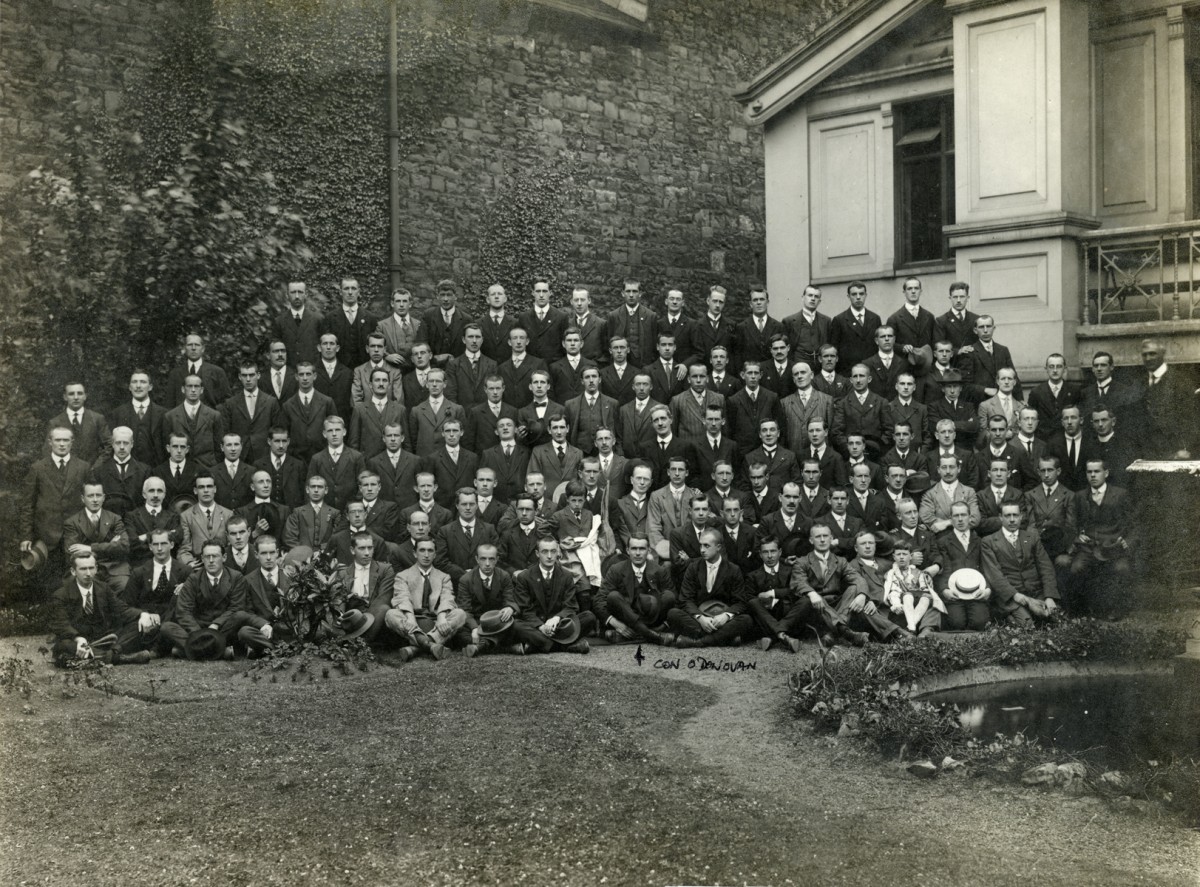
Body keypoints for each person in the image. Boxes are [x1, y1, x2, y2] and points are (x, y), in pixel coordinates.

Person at [49, 550, 159, 666]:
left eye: (91, 568)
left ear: (96, 568)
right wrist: (78, 639)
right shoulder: (61, 595)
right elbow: (62, 624)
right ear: (73, 571)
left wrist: (143, 614)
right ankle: (120, 657)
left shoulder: (103, 588)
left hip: (103, 639)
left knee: (141, 625)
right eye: (83, 569)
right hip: (78, 640)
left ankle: (100, 655)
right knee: (64, 646)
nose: (88, 573)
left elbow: (121, 609)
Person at [159, 541, 247, 660]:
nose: (211, 560)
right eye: (207, 556)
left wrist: (216, 624)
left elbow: (236, 608)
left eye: (215, 556)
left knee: (240, 616)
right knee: (166, 627)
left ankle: (189, 650)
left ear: (224, 557)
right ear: (202, 558)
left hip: (222, 629)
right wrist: (198, 633)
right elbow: (183, 610)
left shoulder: (236, 577)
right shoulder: (194, 578)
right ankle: (220, 652)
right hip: (198, 628)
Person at [506, 537, 594, 654]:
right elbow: (525, 610)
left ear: (558, 552)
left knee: (589, 617)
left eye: (553, 551)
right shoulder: (525, 577)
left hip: (559, 625)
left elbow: (571, 606)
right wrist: (541, 627)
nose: (549, 556)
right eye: (544, 551)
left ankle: (538, 645)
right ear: (537, 554)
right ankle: (565, 646)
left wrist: (556, 618)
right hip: (536, 627)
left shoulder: (566, 576)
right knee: (515, 625)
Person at [1069, 459, 1133, 619]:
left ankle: (1116, 609)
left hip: (1113, 548)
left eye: (1096, 471)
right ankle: (1082, 610)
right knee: (1077, 568)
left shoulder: (1120, 494)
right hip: (1089, 548)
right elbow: (1072, 523)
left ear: (1106, 473)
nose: (1092, 475)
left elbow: (1134, 524)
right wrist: (1077, 536)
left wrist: (1128, 541)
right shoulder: (1080, 496)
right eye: (1089, 472)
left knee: (1121, 569)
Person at [668, 529, 753, 648]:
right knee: (673, 614)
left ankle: (698, 642)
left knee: (746, 620)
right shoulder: (693, 567)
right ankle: (726, 638)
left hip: (722, 619)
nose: (702, 550)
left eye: (706, 546)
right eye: (701, 545)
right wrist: (700, 618)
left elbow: (740, 602)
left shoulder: (733, 569)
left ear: (718, 547)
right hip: (700, 619)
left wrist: (726, 616)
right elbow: (685, 599)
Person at [787, 524, 869, 646]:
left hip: (837, 605)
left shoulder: (840, 561)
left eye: (825, 536)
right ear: (811, 540)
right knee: (809, 598)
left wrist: (862, 595)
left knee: (854, 587)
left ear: (831, 538)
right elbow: (799, 582)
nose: (822, 540)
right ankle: (846, 632)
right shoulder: (802, 561)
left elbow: (858, 578)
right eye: (818, 536)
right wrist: (812, 593)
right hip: (816, 607)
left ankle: (832, 632)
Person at [386, 538, 468, 660]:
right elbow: (402, 598)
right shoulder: (403, 576)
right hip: (413, 622)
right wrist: (410, 618)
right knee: (391, 614)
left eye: (430, 551)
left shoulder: (444, 577)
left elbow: (447, 598)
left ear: (435, 554)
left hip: (435, 623)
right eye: (422, 550)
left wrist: (441, 618)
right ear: (415, 553)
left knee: (460, 614)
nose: (426, 555)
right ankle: (431, 645)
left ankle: (418, 647)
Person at [981, 502, 1059, 626]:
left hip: (1036, 592)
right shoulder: (989, 542)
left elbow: (1045, 567)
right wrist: (1017, 596)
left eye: (1015, 515)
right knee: (1028, 625)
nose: (1012, 520)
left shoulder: (1032, 537)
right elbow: (995, 576)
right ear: (1000, 517)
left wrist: (1049, 597)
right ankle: (1007, 617)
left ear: (1021, 517)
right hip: (1011, 596)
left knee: (1054, 620)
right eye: (1007, 516)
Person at [595, 535, 676, 645]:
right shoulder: (616, 570)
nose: (638, 553)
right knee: (613, 596)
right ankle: (652, 635)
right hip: (627, 619)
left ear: (649, 550)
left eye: (642, 549)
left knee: (669, 595)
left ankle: (637, 635)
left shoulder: (659, 570)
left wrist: (664, 625)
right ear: (627, 550)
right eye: (634, 548)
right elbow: (599, 600)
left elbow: (674, 599)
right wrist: (616, 624)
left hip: (653, 619)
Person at [62, 482, 131, 595]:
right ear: (83, 498)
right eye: (90, 496)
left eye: (98, 495)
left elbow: (124, 546)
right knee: (79, 587)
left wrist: (90, 548)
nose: (95, 500)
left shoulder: (115, 518)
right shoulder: (72, 522)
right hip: (86, 569)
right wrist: (110, 545)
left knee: (124, 585)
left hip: (114, 569)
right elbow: (72, 554)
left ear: (103, 498)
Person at [841, 531, 905, 642]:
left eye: (870, 543)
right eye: (863, 544)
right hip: (873, 610)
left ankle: (924, 632)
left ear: (875, 546)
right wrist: (870, 600)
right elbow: (854, 589)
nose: (867, 546)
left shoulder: (888, 564)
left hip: (893, 606)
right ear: (856, 548)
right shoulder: (853, 566)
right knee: (866, 611)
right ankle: (901, 634)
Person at [1136, 337, 1195, 458]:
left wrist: (1186, 449)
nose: (1148, 358)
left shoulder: (1181, 382)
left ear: (1163, 354)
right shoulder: (1138, 383)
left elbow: (1192, 419)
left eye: (1152, 354)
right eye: (1144, 355)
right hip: (1147, 454)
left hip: (1176, 453)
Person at [934, 502, 989, 630]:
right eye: (956, 515)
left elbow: (988, 568)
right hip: (953, 593)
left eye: (963, 515)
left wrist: (987, 589)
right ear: (951, 519)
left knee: (980, 623)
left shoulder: (981, 541)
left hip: (977, 592)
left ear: (970, 517)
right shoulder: (943, 542)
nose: (960, 519)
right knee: (956, 624)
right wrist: (944, 590)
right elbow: (942, 569)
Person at [332, 531, 394, 644]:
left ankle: (362, 645)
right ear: (352, 550)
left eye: (370, 548)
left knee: (384, 608)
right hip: (354, 619)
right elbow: (340, 600)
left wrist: (367, 618)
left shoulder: (385, 570)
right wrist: (340, 614)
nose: (367, 553)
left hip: (376, 617)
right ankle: (352, 641)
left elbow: (383, 598)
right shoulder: (343, 573)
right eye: (362, 548)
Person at [459, 544, 521, 657]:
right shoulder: (466, 579)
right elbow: (465, 610)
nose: (487, 563)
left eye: (491, 559)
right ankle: (505, 647)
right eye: (483, 559)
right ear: (477, 559)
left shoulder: (504, 576)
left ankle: (482, 645)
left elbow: (510, 599)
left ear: (497, 559)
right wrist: (474, 629)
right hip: (477, 622)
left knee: (516, 626)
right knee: (460, 633)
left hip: (498, 623)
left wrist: (510, 608)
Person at [124, 528, 191, 628]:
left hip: (174, 625)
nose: (159, 548)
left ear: (172, 545)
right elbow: (126, 605)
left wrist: (188, 587)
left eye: (163, 543)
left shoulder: (185, 571)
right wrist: (143, 614)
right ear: (150, 547)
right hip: (146, 624)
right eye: (155, 544)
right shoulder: (139, 573)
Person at [220, 361, 280, 465]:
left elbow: (276, 431)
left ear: (258, 375)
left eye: (251, 375)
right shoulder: (231, 403)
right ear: (239, 377)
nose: (248, 379)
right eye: (244, 375)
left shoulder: (271, 402)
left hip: (265, 454)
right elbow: (226, 431)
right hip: (240, 455)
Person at [434, 488, 498, 585]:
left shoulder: (489, 530)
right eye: (464, 504)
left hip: (483, 584)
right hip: (455, 584)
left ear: (477, 506)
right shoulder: (445, 531)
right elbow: (440, 561)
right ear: (457, 506)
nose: (468, 508)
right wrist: (463, 574)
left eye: (471, 504)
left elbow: (497, 556)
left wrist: (477, 573)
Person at [883, 537, 945, 635]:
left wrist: (924, 590)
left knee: (926, 597)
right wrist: (896, 604)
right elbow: (893, 591)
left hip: (918, 601)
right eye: (898, 554)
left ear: (911, 556)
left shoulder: (918, 572)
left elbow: (925, 588)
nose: (902, 557)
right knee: (908, 596)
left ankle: (910, 627)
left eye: (905, 554)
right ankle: (912, 627)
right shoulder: (891, 574)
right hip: (903, 602)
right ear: (894, 557)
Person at [281, 360, 338, 463]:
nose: (305, 378)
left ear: (314, 376)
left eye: (308, 374)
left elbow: (335, 430)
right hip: (297, 459)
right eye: (301, 374)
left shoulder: (326, 402)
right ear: (296, 377)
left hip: (322, 457)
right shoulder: (288, 405)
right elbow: (285, 434)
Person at [109, 370, 168, 467]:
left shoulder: (163, 414)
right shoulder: (118, 413)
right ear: (129, 387)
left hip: (155, 470)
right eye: (134, 382)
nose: (138, 386)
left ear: (150, 387)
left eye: (143, 382)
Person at [164, 373, 225, 467]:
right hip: (181, 467)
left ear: (202, 390)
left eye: (196, 386)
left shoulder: (214, 415)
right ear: (183, 389)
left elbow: (219, 447)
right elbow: (166, 447)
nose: (193, 390)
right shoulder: (170, 416)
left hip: (207, 468)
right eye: (189, 386)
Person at [648, 456, 702, 561]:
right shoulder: (657, 496)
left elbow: (701, 527)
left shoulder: (695, 496)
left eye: (681, 470)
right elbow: (653, 529)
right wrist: (672, 552)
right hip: (665, 554)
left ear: (687, 473)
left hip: (691, 553)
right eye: (673, 469)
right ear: (668, 472)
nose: (677, 473)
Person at [89, 425, 150, 516]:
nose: (122, 447)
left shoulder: (144, 471)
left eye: (125, 443)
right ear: (113, 444)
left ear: (132, 444)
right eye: (118, 443)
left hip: (136, 522)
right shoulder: (99, 471)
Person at [726, 360, 782, 458]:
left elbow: (780, 426)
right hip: (742, 453)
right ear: (743, 375)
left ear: (760, 375)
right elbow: (730, 431)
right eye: (749, 373)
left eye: (756, 373)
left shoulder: (772, 397)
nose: (753, 376)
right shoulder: (733, 400)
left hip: (768, 451)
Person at [833, 364, 890, 458]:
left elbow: (888, 431)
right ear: (851, 380)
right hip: (850, 455)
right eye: (855, 376)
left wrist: (877, 448)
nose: (858, 380)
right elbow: (837, 432)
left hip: (875, 455)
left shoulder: (881, 402)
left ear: (869, 379)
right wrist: (850, 449)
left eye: (862, 376)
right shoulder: (843, 404)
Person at [177, 473, 234, 565]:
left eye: (209, 486)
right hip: (198, 565)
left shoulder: (228, 514)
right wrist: (189, 563)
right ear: (195, 490)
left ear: (215, 489)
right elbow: (184, 549)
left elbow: (232, 545)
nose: (206, 490)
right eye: (201, 487)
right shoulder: (186, 516)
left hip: (223, 565)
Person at [164, 333, 231, 409]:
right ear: (184, 348)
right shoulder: (175, 374)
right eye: (190, 345)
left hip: (209, 419)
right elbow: (169, 404)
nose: (193, 348)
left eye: (197, 345)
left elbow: (226, 402)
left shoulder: (217, 372)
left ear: (203, 348)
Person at [827, 280, 881, 375]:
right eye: (854, 294)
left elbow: (879, 346)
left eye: (861, 294)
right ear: (848, 296)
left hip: (872, 371)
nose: (858, 297)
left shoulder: (875, 318)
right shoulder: (839, 320)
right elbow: (834, 349)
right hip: (848, 372)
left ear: (866, 295)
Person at [1026, 353, 1083, 440]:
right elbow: (1032, 418)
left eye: (1059, 366)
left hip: (1067, 439)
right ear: (1046, 369)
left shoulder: (1074, 391)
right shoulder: (1036, 392)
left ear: (1065, 369)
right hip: (1044, 441)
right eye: (1051, 367)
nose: (1055, 370)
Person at [960, 315, 1020, 396]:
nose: (985, 330)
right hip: (980, 401)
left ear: (993, 328)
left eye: (988, 326)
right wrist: (985, 390)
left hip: (1004, 399)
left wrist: (1020, 399)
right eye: (981, 327)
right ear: (975, 330)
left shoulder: (1003, 350)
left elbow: (1014, 377)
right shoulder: (970, 352)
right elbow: (965, 385)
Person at [780, 361, 833, 453]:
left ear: (811, 375)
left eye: (803, 372)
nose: (799, 376)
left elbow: (832, 433)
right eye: (796, 374)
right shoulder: (784, 402)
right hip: (794, 455)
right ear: (793, 379)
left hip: (819, 455)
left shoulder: (826, 400)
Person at [566, 366, 619, 456]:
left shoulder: (612, 403)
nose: (591, 380)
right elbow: (568, 433)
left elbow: (618, 433)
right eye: (587, 377)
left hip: (604, 452)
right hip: (580, 452)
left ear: (600, 379)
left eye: (594, 376)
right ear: (582, 381)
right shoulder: (571, 405)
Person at [605, 278, 658, 367]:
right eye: (628, 291)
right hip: (621, 364)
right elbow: (609, 342)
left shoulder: (650, 316)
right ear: (623, 293)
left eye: (634, 291)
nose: (631, 295)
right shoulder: (614, 316)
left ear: (640, 293)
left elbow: (654, 344)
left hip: (643, 365)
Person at [270, 279, 322, 368]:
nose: (297, 296)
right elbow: (276, 350)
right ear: (287, 295)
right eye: (293, 292)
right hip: (289, 373)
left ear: (306, 294)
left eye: (300, 292)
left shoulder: (317, 319)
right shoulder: (279, 321)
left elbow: (323, 348)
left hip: (312, 373)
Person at [445, 322, 498, 409]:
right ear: (463, 339)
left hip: (484, 415)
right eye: (470, 337)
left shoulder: (492, 364)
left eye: (477, 337)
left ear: (482, 339)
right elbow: (450, 394)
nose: (474, 341)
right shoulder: (453, 365)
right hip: (462, 415)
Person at [681, 286, 735, 371]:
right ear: (708, 301)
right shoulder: (696, 325)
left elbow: (734, 353)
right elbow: (696, 353)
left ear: (724, 304)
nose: (717, 305)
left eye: (721, 302)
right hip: (703, 374)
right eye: (714, 301)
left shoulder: (731, 325)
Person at [528, 413, 582, 499]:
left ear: (567, 429)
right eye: (555, 428)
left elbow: (581, 481)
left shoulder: (578, 453)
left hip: (570, 502)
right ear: (549, 430)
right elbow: (533, 479)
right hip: (547, 502)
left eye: (562, 427)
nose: (559, 432)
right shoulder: (538, 452)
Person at [282, 475, 342, 550]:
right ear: (307, 489)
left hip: (326, 556)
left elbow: (338, 538)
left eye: (320, 487)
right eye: (313, 487)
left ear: (326, 490)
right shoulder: (297, 512)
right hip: (302, 557)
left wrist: (323, 552)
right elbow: (289, 538)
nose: (316, 490)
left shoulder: (335, 513)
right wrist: (304, 552)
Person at [518, 278, 567, 365]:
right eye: (538, 291)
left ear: (550, 293)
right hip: (530, 367)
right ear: (533, 293)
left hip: (553, 367)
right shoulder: (524, 317)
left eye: (544, 291)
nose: (541, 295)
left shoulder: (561, 317)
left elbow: (564, 347)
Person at [670, 363, 723, 443]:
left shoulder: (719, 398)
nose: (698, 380)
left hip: (712, 450)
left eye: (702, 376)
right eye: (694, 377)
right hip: (687, 451)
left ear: (707, 379)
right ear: (688, 379)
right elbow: (673, 431)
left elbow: (724, 429)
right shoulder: (677, 400)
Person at [466, 375, 519, 454]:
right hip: (484, 460)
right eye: (491, 389)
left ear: (503, 388)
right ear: (485, 389)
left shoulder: (513, 411)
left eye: (498, 388)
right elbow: (469, 441)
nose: (495, 392)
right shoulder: (475, 412)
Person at [781, 284, 830, 370]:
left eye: (816, 296)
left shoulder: (826, 321)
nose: (813, 298)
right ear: (803, 298)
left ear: (819, 301)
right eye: (810, 295)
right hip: (798, 368)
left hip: (820, 369)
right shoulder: (789, 321)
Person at [256, 427, 307, 509]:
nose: (281, 446)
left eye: (284, 441)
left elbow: (303, 495)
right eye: (277, 441)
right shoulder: (259, 465)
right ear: (269, 441)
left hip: (291, 515)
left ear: (288, 442)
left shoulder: (298, 465)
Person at [886, 276, 936, 356]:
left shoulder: (929, 317)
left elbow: (934, 342)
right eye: (909, 289)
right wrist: (902, 347)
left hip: (926, 365)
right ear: (904, 292)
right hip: (905, 364)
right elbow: (889, 343)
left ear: (921, 291)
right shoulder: (894, 319)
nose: (913, 291)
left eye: (916, 288)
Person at [376, 286, 423, 371]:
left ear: (410, 304)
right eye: (398, 301)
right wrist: (387, 356)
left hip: (414, 371)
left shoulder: (419, 325)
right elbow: (376, 347)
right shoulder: (382, 326)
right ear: (392, 303)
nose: (401, 305)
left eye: (405, 301)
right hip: (391, 371)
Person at [351, 332, 404, 406]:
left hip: (389, 416)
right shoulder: (359, 371)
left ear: (385, 349)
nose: (376, 350)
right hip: (365, 416)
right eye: (372, 346)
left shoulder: (395, 372)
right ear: (367, 349)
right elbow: (356, 400)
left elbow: (398, 401)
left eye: (379, 346)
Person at [617, 373, 662, 459]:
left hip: (651, 459)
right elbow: (619, 437)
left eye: (645, 384)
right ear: (633, 387)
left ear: (651, 387)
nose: (641, 388)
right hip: (627, 459)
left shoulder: (659, 408)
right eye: (638, 384)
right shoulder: (624, 409)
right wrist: (621, 455)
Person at [862, 325, 911, 399]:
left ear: (894, 339)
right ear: (876, 341)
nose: (887, 339)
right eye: (883, 336)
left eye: (890, 336)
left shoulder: (904, 364)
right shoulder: (867, 364)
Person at [932, 281, 979, 356]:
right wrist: (958, 351)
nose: (958, 300)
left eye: (962, 297)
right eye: (955, 297)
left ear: (968, 298)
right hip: (952, 363)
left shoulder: (976, 319)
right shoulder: (941, 321)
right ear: (950, 298)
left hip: (973, 362)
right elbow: (938, 346)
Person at [154, 432, 200, 507]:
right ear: (168, 448)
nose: (179, 451)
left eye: (182, 447)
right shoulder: (157, 471)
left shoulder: (197, 470)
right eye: (175, 446)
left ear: (187, 449)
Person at [211, 433, 254, 511]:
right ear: (222, 447)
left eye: (236, 444)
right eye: (229, 445)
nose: (233, 449)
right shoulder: (213, 471)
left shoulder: (251, 471)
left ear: (241, 446)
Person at [645, 331, 688, 406]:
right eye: (663, 345)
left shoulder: (681, 369)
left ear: (675, 347)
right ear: (658, 347)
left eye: (670, 345)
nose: (667, 348)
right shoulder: (649, 370)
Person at [566, 287, 606, 363]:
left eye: (582, 300)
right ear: (571, 302)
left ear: (589, 301)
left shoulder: (601, 324)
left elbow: (606, 353)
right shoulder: (567, 324)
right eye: (576, 300)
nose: (579, 303)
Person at [600, 335, 637, 406]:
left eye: (622, 347)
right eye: (615, 348)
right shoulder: (603, 373)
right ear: (610, 351)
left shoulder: (637, 373)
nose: (619, 351)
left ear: (628, 350)